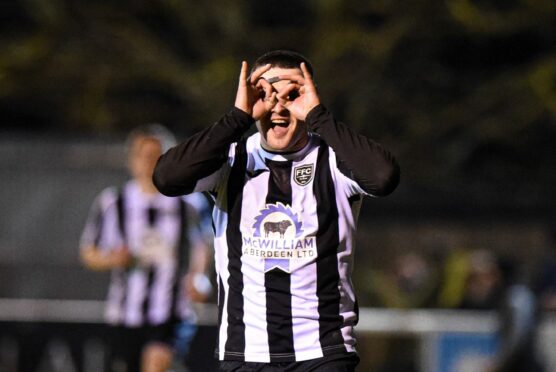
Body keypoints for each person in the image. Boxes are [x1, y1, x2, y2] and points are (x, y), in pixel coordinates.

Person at [152, 50, 400, 371]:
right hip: (245, 354)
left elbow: (384, 177)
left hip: (322, 352)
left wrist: (320, 117)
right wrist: (237, 117)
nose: (278, 106)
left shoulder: (335, 160)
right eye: (265, 93)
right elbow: (167, 178)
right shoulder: (229, 159)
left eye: (292, 94)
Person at [79, 125, 211, 372]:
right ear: (132, 160)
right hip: (124, 314)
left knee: (156, 364)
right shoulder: (112, 202)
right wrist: (114, 259)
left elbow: (203, 245)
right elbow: (88, 252)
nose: (150, 162)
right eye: (144, 155)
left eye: (157, 155)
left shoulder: (189, 203)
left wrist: (200, 279)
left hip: (171, 311)